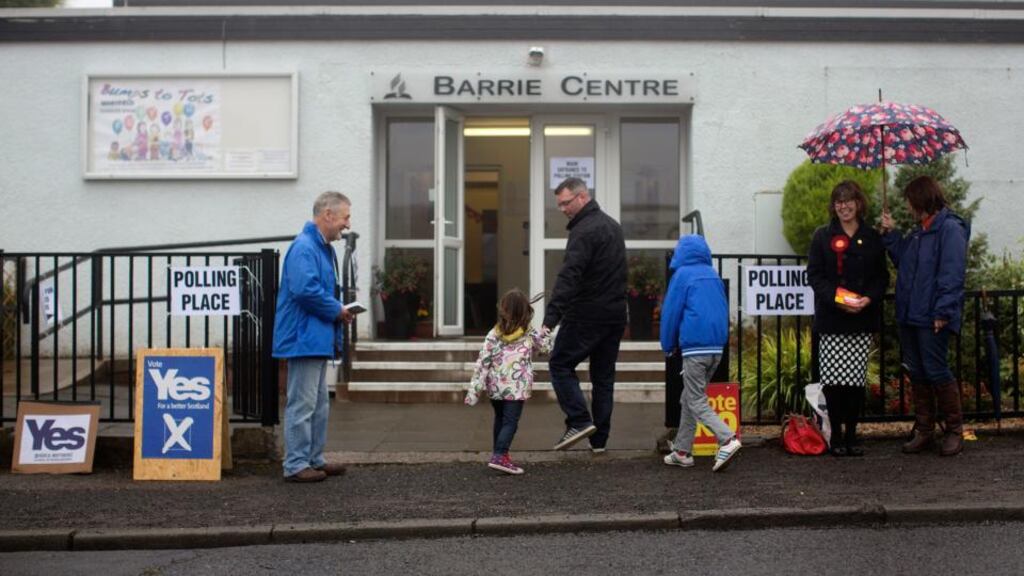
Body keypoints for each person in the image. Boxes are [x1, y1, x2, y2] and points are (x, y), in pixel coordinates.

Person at [881, 175, 970, 457]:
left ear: (920, 200)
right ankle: (925, 431)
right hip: (912, 315)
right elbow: (903, 262)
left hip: (932, 316)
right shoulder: (920, 232)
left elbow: (952, 274)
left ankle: (955, 431)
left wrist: (943, 311)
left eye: (909, 201)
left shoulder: (949, 230)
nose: (907, 207)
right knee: (918, 372)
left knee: (936, 370)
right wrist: (890, 234)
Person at [273, 191, 354, 482]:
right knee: (303, 403)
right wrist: (337, 309)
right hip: (304, 338)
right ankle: (296, 464)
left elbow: (311, 290)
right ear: (327, 215)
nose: (347, 224)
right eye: (345, 216)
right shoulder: (305, 247)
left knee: (319, 403)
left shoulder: (318, 247)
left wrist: (337, 310)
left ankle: (313, 459)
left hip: (313, 336)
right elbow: (305, 290)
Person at [542, 177, 627, 452]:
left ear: (582, 197)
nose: (563, 209)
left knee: (559, 364)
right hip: (614, 316)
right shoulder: (613, 227)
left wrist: (549, 321)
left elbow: (570, 277)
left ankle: (578, 420)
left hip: (586, 314)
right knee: (603, 378)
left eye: (566, 202)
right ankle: (599, 441)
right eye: (559, 204)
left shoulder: (583, 231)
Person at [806, 181, 889, 457]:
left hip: (861, 320)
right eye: (838, 201)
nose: (843, 206)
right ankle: (837, 437)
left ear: (859, 203)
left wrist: (868, 299)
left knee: (854, 383)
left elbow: (882, 277)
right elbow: (815, 276)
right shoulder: (822, 236)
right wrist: (840, 300)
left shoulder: (872, 237)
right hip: (832, 321)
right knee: (833, 383)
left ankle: (853, 436)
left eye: (848, 200)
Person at [659, 234, 741, 472]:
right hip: (716, 348)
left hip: (695, 347)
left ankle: (727, 439)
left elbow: (671, 312)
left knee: (695, 399)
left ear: (680, 254)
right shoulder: (712, 274)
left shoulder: (682, 276)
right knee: (689, 398)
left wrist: (667, 344)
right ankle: (682, 452)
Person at [465, 289, 552, 475]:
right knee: (511, 421)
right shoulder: (529, 333)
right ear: (525, 313)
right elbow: (545, 348)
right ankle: (499, 455)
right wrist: (546, 334)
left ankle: (500, 455)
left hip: (495, 387)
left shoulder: (493, 334)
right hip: (516, 388)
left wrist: (474, 391)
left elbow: (483, 362)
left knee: (500, 419)